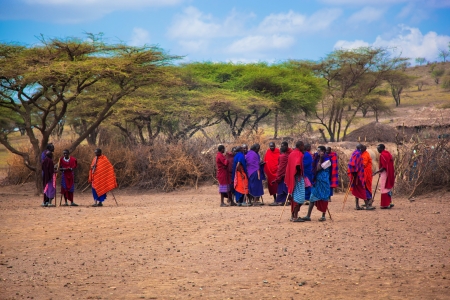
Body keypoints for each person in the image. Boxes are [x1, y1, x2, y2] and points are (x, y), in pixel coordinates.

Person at [301, 146, 331, 221]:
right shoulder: (316, 159)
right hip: (317, 182)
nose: (318, 152)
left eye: (319, 151)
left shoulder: (327, 161)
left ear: (323, 151)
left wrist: (320, 159)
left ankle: (323, 216)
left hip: (324, 182)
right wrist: (319, 159)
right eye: (317, 151)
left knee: (324, 198)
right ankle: (308, 216)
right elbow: (313, 168)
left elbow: (318, 169)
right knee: (312, 197)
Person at [285, 141, 305, 222]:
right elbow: (297, 165)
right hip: (297, 177)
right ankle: (295, 217)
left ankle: (293, 216)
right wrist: (299, 172)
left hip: (291, 177)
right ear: (300, 146)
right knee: (300, 197)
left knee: (294, 196)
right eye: (303, 146)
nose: (303, 147)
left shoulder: (292, 153)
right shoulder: (298, 154)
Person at [373, 144, 395, 209]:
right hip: (389, 173)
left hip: (385, 173)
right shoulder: (387, 154)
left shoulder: (382, 155)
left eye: (378, 148)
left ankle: (385, 204)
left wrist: (376, 172)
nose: (377, 150)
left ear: (382, 148)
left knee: (384, 188)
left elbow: (384, 167)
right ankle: (390, 202)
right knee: (388, 188)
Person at [348, 144, 369, 210]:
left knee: (356, 189)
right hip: (358, 175)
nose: (363, 151)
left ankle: (357, 206)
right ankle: (367, 205)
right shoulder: (357, 154)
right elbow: (354, 164)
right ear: (360, 149)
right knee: (362, 189)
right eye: (363, 149)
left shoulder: (354, 153)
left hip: (356, 174)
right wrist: (355, 172)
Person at [272, 141, 292, 206]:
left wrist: (278, 176)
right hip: (286, 173)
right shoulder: (286, 155)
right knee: (284, 187)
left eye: (283, 146)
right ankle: (285, 201)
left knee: (283, 187)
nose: (282, 147)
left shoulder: (289, 153)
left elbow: (281, 166)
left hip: (285, 173)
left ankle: (282, 201)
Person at [360, 145, 375, 209]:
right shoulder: (364, 154)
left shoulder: (365, 155)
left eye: (360, 149)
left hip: (366, 174)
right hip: (366, 173)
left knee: (366, 187)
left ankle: (369, 202)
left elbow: (363, 164)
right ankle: (368, 201)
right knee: (366, 187)